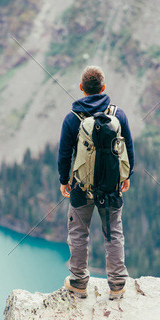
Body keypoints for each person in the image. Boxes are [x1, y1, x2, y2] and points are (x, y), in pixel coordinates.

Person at [57, 65, 135, 300]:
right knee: (113, 233)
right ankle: (117, 284)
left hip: (81, 187)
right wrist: (126, 176)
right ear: (103, 88)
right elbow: (128, 148)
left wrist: (64, 180)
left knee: (79, 233)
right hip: (111, 187)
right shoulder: (117, 115)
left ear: (82, 88)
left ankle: (79, 283)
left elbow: (64, 153)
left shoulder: (73, 118)